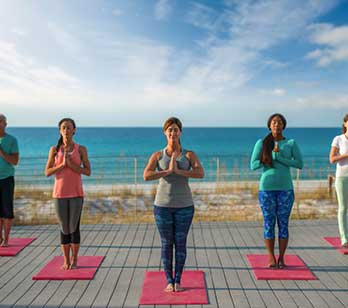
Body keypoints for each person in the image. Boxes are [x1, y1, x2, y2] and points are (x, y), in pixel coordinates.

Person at [143, 117, 204, 292]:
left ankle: (178, 280)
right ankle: (169, 281)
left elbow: (200, 173)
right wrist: (168, 171)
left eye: (176, 129)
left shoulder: (189, 154)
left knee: (181, 242)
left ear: (180, 132)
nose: (173, 133)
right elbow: (146, 175)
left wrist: (179, 171)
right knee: (166, 243)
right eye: (169, 130)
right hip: (162, 206)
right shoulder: (157, 155)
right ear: (165, 132)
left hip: (184, 206)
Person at [250, 113, 303, 269]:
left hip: (285, 189)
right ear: (269, 126)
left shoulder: (291, 143)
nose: (276, 125)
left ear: (284, 125)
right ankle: (271, 257)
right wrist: (269, 157)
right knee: (269, 223)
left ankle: (281, 257)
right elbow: (253, 165)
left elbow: (299, 163)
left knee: (283, 224)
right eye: (273, 122)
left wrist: (279, 158)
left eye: (279, 122)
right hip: (266, 189)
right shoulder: (262, 143)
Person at [45, 118, 91, 270]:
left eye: (69, 127)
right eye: (63, 128)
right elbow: (47, 172)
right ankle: (66, 260)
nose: (66, 130)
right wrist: (62, 165)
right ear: (60, 131)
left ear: (74, 130)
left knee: (74, 227)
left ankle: (75, 259)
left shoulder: (81, 149)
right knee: (64, 228)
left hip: (76, 194)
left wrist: (70, 165)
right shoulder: (54, 150)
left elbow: (87, 171)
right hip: (59, 194)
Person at [0, 114, 19, 247]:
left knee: (7, 211)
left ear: (5, 124)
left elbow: (15, 161)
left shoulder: (12, 140)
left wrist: (1, 151)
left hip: (6, 179)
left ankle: (6, 240)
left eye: (1, 122)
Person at [329, 113, 348, 247]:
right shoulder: (339, 139)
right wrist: (346, 155)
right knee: (343, 208)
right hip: (342, 177)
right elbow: (332, 159)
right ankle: (344, 238)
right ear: (345, 123)